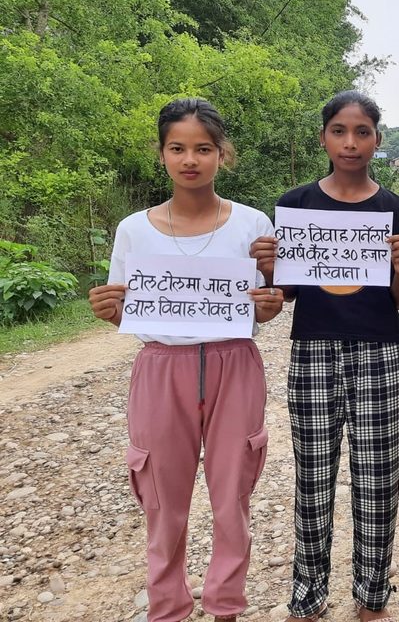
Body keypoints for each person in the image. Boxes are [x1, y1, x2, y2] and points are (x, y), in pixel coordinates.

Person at [88, 98, 284, 622]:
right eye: (178, 148)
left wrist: (270, 301)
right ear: (161, 154)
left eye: (203, 148)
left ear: (224, 154)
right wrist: (110, 309)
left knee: (231, 495)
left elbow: (265, 303)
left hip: (234, 366)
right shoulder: (135, 229)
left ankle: (225, 606)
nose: (190, 159)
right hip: (160, 369)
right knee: (161, 500)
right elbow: (128, 309)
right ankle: (167, 607)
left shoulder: (252, 224)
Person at [249, 90, 399, 622]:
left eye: (362, 132)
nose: (350, 142)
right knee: (313, 474)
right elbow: (289, 293)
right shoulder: (297, 205)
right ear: (323, 137)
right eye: (339, 131)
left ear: (377, 140)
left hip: (380, 352)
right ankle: (309, 590)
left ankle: (371, 592)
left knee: (377, 475)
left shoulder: (395, 209)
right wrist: (273, 268)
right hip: (313, 351)